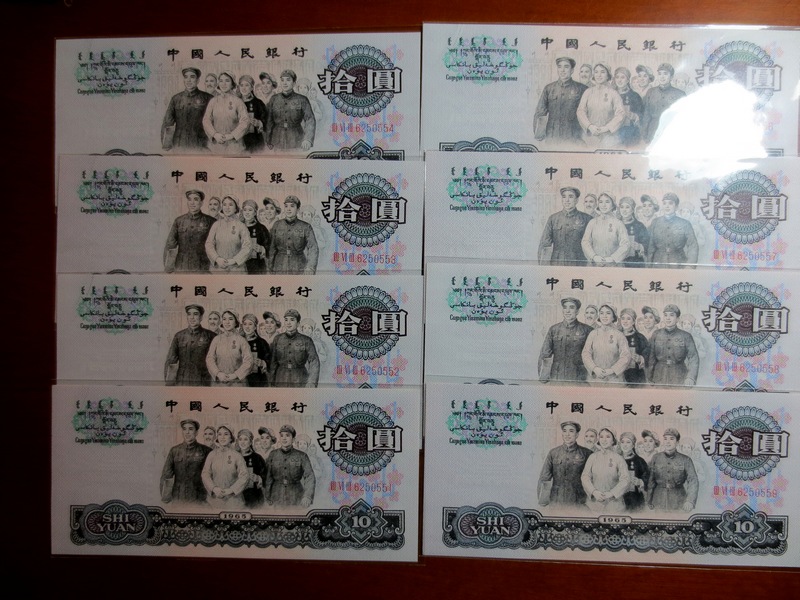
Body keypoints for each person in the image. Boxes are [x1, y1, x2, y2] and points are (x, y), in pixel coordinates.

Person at [538, 297, 594, 384]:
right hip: (557, 378)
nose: (567, 311)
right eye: (565, 307)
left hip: (579, 378)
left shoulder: (587, 330)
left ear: (577, 311)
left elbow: (594, 355)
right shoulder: (554, 329)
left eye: (571, 307)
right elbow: (545, 354)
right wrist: (543, 377)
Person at [538, 421, 594, 507]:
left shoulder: (587, 453)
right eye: (564, 431)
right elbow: (544, 478)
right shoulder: (553, 453)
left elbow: (593, 479)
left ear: (577, 435)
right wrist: (543, 502)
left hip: (579, 502)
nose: (567, 434)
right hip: (556, 501)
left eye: (571, 431)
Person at [533, 57, 587, 144]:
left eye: (566, 67)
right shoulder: (549, 88)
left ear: (572, 70)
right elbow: (540, 113)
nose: (562, 70)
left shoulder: (582, 88)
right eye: (559, 67)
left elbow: (588, 113)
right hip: (552, 137)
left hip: (574, 138)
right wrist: (538, 134)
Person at [163, 189, 218, 272]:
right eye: (189, 199)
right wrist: (168, 268)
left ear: (201, 203)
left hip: (203, 267)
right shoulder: (179, 221)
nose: (192, 203)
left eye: (196, 199)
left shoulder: (211, 221)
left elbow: (217, 246)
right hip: (182, 266)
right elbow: (170, 246)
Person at [160, 419, 212, 505]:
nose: (187, 432)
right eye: (184, 429)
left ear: (196, 432)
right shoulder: (174, 450)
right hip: (178, 498)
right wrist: (165, 498)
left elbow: (212, 476)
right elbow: (166, 476)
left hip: (199, 499)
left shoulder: (206, 450)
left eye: (191, 429)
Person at [161, 67, 213, 151]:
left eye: (192, 77)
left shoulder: (208, 98)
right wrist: (166, 145)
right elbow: (168, 123)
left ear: (198, 80)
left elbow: (214, 122)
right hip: (179, 144)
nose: (188, 80)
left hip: (201, 145)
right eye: (186, 77)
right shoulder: (176, 98)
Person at [646, 304, 699, 386]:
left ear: (677, 319)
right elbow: (651, 357)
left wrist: (690, 377)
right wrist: (649, 377)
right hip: (659, 376)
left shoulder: (686, 336)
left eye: (671, 315)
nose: (668, 318)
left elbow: (693, 358)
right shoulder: (656, 334)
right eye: (665, 315)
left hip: (679, 377)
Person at [538, 186, 593, 266]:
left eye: (570, 197)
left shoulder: (587, 218)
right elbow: (544, 245)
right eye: (564, 197)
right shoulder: (553, 218)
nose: (567, 200)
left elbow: (592, 245)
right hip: (557, 263)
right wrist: (542, 266)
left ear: (577, 200)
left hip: (579, 264)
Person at [647, 428, 698, 512]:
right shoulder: (656, 457)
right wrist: (648, 500)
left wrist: (690, 501)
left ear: (677, 442)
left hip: (678, 500)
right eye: (665, 439)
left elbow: (693, 480)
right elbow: (651, 481)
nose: (668, 442)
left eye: (671, 439)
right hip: (658, 500)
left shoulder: (686, 460)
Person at [163, 304, 216, 386]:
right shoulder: (179, 336)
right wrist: (169, 384)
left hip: (203, 383)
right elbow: (170, 361)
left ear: (201, 317)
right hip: (182, 382)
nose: (192, 317)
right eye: (189, 314)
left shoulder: (211, 336)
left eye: (195, 314)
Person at [264, 424, 316, 507]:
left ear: (293, 439)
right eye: (282, 436)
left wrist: (307, 496)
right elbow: (268, 477)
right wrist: (267, 496)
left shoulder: (302, 456)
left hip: (296, 495)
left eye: (287, 435)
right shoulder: (273, 455)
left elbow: (310, 476)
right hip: (276, 496)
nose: (284, 438)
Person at [581, 427, 630, 513]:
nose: (604, 440)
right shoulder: (592, 457)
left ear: (613, 440)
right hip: (594, 504)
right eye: (601, 437)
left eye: (608, 437)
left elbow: (625, 479)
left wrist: (611, 493)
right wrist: (594, 492)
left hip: (614, 505)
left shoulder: (619, 458)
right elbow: (585, 477)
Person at [265, 69, 316, 151]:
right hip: (276, 142)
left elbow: (310, 119)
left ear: (294, 83)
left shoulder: (302, 99)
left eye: (288, 80)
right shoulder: (274, 99)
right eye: (282, 80)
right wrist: (268, 139)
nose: (284, 83)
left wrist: (307, 139)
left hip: (296, 141)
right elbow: (269, 121)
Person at [576, 63, 625, 148]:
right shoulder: (588, 92)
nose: (599, 75)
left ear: (608, 75)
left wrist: (606, 128)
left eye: (602, 72)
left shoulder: (613, 93)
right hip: (590, 137)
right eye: (596, 72)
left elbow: (620, 114)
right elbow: (580, 111)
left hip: (609, 138)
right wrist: (590, 126)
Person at [581, 304, 631, 385]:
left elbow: (626, 356)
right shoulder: (593, 334)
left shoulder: (619, 335)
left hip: (614, 380)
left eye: (608, 313)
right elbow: (586, 353)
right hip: (595, 379)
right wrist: (594, 368)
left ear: (613, 317)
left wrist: (612, 370)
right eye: (602, 313)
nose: (604, 316)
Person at [269, 309, 320, 387]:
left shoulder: (306, 340)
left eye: (292, 320)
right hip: (280, 379)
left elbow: (314, 362)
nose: (288, 323)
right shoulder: (277, 339)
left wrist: (311, 383)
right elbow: (273, 362)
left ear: (298, 323)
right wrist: (271, 382)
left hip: (300, 380)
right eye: (286, 320)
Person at [202, 425, 249, 509]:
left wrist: (231, 490)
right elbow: (205, 474)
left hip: (234, 501)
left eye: (226, 434)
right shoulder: (212, 454)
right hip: (214, 500)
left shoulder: (237, 456)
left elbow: (244, 476)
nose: (222, 437)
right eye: (220, 434)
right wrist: (214, 488)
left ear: (231, 438)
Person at [269, 196, 319, 275]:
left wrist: (310, 267)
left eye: (292, 206)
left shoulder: (306, 226)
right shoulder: (277, 225)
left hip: (299, 266)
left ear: (298, 209)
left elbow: (313, 248)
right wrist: (269, 267)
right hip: (279, 266)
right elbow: (272, 248)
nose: (288, 209)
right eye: (286, 206)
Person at [202, 71, 249, 154]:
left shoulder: (238, 101)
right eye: (221, 81)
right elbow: (206, 120)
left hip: (235, 147)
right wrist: (215, 134)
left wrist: (232, 135)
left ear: (232, 84)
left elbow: (245, 121)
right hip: (216, 146)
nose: (223, 84)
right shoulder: (213, 101)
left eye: (227, 81)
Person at [646, 193, 699, 268]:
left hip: (678, 263)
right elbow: (651, 246)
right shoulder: (655, 222)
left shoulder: (685, 224)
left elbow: (693, 245)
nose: (667, 206)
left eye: (670, 203)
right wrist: (649, 266)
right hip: (658, 263)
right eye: (664, 203)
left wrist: (690, 265)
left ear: (676, 207)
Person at [205, 195, 252, 273]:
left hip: (236, 269)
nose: (227, 208)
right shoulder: (216, 225)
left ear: (236, 208)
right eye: (224, 204)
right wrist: (217, 259)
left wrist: (234, 260)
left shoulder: (241, 226)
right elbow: (209, 244)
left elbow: (247, 246)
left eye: (230, 205)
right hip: (218, 268)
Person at [581, 192, 630, 266]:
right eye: (601, 202)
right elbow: (585, 242)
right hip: (595, 264)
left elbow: (625, 244)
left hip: (613, 266)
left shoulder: (618, 223)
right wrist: (594, 256)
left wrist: (612, 258)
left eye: (607, 202)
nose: (603, 205)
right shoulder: (592, 222)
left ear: (613, 205)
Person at [641, 63, 686, 143]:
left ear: (671, 77)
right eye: (660, 74)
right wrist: (644, 134)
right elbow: (646, 115)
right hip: (653, 132)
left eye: (665, 74)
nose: (662, 77)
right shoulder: (651, 92)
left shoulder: (680, 94)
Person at [206, 310, 253, 386]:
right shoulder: (216, 339)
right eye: (224, 319)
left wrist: (235, 375)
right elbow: (209, 358)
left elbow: (249, 361)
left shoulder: (241, 340)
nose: (227, 322)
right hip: (219, 382)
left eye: (230, 319)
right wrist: (218, 373)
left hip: (237, 383)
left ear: (236, 322)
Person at [613, 67, 644, 146]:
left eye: (622, 77)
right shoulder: (611, 95)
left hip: (629, 133)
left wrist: (632, 115)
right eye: (617, 77)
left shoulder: (635, 96)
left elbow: (641, 115)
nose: (619, 80)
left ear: (627, 80)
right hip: (612, 132)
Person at [236, 429, 266, 509]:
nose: (242, 442)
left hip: (253, 496)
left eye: (245, 439)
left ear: (250, 442)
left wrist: (258, 478)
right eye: (240, 439)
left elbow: (265, 475)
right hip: (236, 495)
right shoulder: (233, 456)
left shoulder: (257, 458)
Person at [619, 432, 649, 511]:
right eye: (622, 442)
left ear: (633, 445)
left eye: (628, 442)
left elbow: (647, 477)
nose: (625, 445)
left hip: (634, 499)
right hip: (617, 498)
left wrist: (640, 481)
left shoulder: (639, 461)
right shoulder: (615, 459)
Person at [238, 75, 268, 153]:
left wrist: (259, 123)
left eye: (247, 85)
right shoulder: (235, 102)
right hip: (238, 140)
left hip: (254, 140)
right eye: (241, 85)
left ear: (251, 88)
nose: (244, 88)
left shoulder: (258, 103)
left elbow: (267, 120)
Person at [619, 308, 648, 386]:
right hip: (618, 375)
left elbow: (648, 354)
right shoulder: (615, 336)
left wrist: (640, 358)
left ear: (633, 321)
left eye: (628, 319)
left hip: (635, 376)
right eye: (623, 318)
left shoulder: (640, 337)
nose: (625, 321)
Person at [240, 199, 270, 274]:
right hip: (240, 265)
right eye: (245, 210)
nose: (247, 212)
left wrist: (262, 249)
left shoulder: (261, 228)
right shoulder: (238, 227)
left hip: (257, 266)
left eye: (250, 210)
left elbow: (269, 247)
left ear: (255, 212)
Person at [618, 196, 649, 267]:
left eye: (627, 207)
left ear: (632, 209)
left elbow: (648, 243)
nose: (624, 210)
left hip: (634, 262)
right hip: (617, 262)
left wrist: (640, 246)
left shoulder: (639, 226)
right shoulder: (615, 224)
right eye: (622, 207)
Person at [241, 313, 270, 387]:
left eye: (250, 324)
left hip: (257, 379)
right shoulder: (238, 341)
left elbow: (269, 359)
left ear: (255, 327)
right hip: (240, 378)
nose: (247, 327)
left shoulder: (262, 342)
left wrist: (263, 362)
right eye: (245, 324)